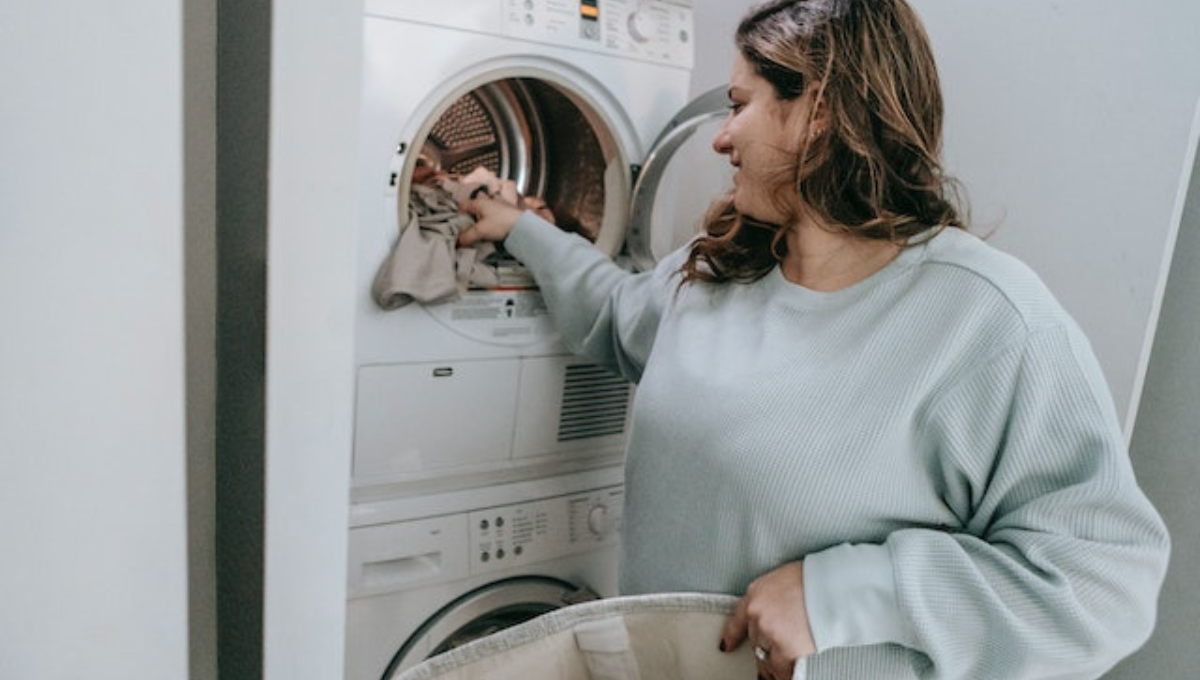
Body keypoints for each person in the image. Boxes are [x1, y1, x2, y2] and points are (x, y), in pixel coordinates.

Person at [455, 0, 1170, 677]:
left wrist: (846, 593)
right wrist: (523, 229)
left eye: (740, 105)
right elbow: (614, 315)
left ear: (820, 111)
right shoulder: (722, 267)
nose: (720, 136)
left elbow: (1104, 586)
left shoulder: (986, 321)